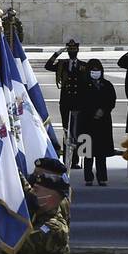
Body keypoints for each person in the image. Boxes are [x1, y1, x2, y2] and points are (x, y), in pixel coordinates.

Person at [45, 39, 86, 168]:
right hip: (66, 103)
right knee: (66, 131)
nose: (72, 52)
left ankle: (75, 160)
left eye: (74, 50)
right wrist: (57, 53)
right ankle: (66, 159)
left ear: (78, 51)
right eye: (69, 50)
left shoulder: (84, 66)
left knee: (77, 131)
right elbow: (48, 66)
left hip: (79, 103)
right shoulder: (62, 64)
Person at [75, 58, 116, 186]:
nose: (96, 72)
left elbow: (111, 100)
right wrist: (93, 111)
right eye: (93, 70)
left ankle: (102, 177)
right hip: (87, 122)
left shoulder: (107, 84)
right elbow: (80, 101)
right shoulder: (82, 84)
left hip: (103, 122)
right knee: (88, 152)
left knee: (101, 153)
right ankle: (88, 177)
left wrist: (103, 111)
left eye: (98, 70)